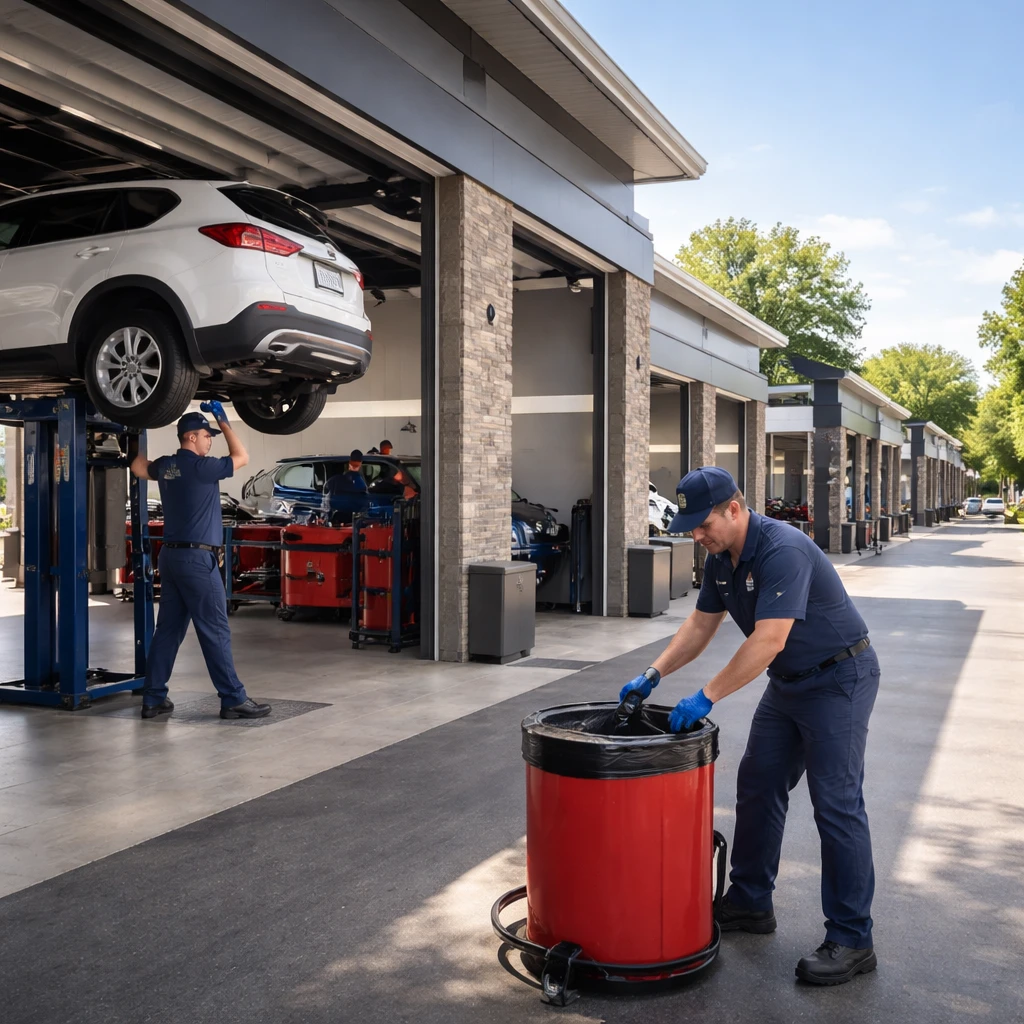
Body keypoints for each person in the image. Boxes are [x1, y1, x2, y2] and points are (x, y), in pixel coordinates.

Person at [618, 466, 880, 986]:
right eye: (690, 527)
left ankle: (853, 938)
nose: (696, 535)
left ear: (734, 509)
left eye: (702, 523)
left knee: (836, 804)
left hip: (838, 678)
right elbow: (699, 626)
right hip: (788, 685)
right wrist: (653, 674)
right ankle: (750, 903)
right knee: (758, 786)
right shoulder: (721, 559)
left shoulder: (783, 549)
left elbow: (768, 640)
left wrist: (705, 695)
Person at [129, 404, 271, 721]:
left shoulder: (166, 466)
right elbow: (242, 456)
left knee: (167, 630)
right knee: (215, 629)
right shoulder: (202, 467)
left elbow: (139, 467)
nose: (210, 442)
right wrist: (225, 419)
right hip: (197, 559)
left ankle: (152, 699)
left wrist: (135, 432)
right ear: (191, 437)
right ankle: (233, 699)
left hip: (170, 557)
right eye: (207, 436)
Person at [323, 449, 369, 525]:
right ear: (360, 463)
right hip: (354, 523)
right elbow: (365, 506)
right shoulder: (361, 484)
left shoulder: (333, 481)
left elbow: (326, 504)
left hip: (335, 522)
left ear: (349, 462)